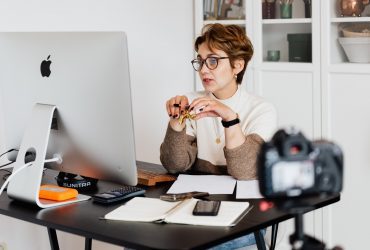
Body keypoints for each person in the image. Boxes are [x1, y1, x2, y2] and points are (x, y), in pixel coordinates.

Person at [160, 23, 278, 249]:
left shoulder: (261, 109)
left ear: (237, 65)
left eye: (213, 60)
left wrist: (229, 118)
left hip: (247, 216)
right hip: (196, 209)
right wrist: (176, 123)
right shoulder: (191, 101)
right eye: (200, 61)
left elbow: (245, 172)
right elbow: (174, 164)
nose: (204, 70)